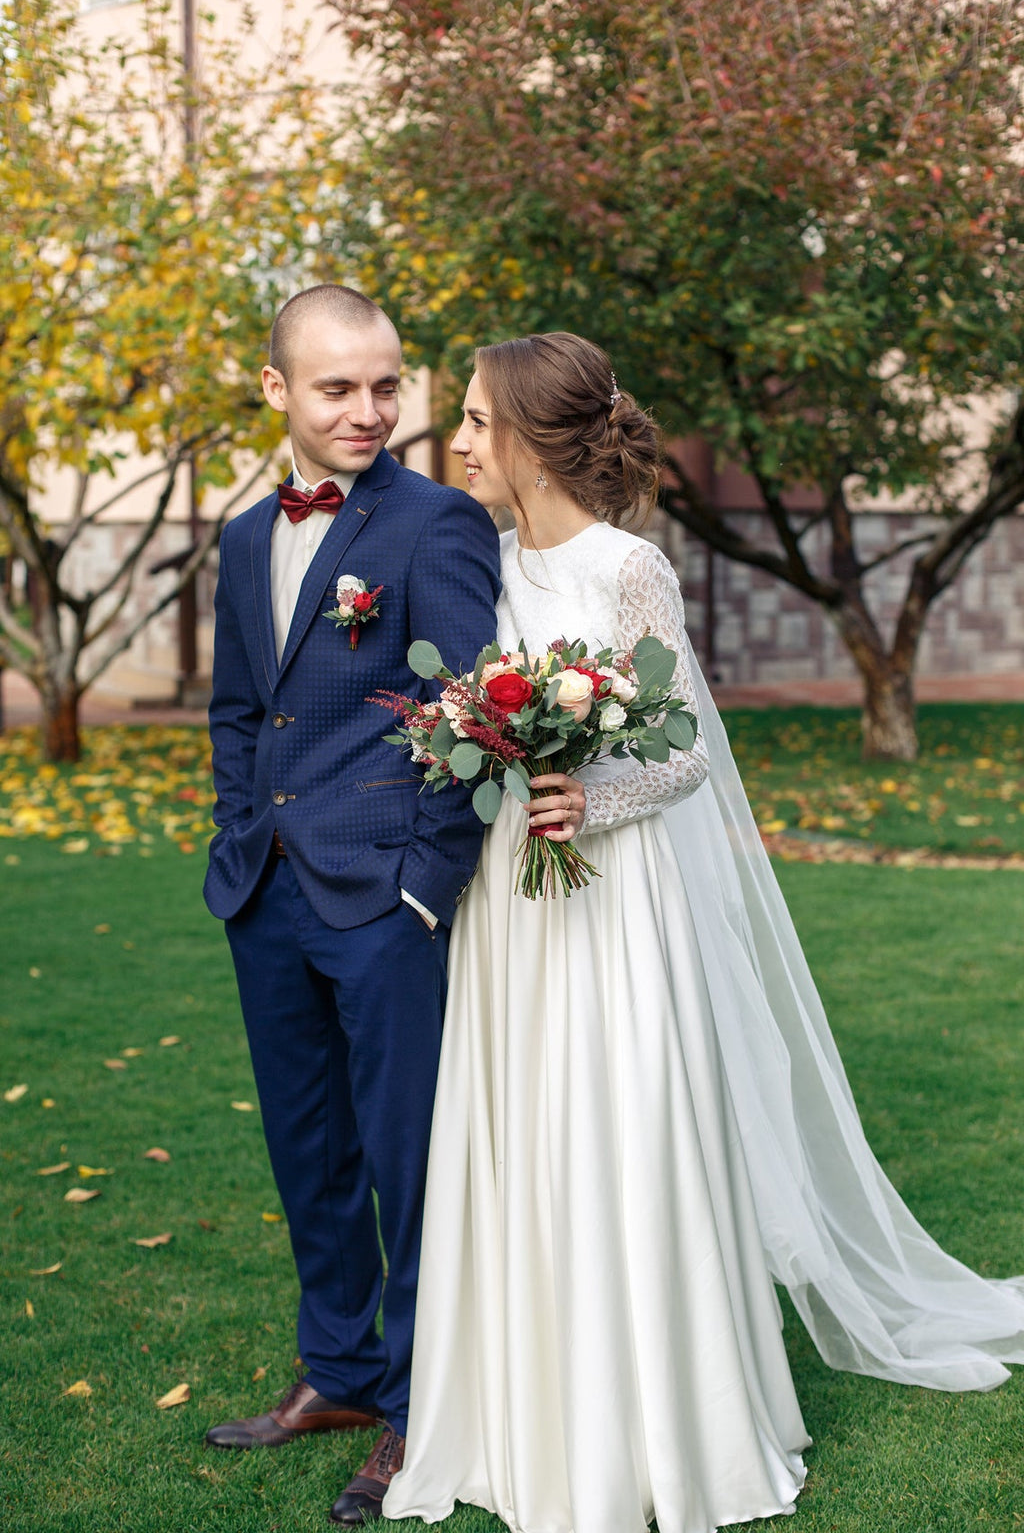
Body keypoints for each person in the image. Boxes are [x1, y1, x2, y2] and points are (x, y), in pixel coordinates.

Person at [383, 332, 1024, 1533]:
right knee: (519, 1134)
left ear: (527, 435)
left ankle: (658, 1424)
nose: (456, 441)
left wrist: (591, 796)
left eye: (473, 419)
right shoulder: (474, 563)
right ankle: (518, 1417)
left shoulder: (630, 571)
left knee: (619, 1132)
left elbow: (675, 750)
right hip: (507, 916)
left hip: (616, 908)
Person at [201, 284, 501, 1526]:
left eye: (388, 385)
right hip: (266, 892)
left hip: (386, 904)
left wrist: (426, 890)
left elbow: (479, 715)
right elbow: (237, 708)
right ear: (277, 391)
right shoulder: (236, 534)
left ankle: (419, 1415)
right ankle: (340, 1372)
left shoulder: (438, 525)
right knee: (307, 1152)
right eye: (337, 387)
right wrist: (234, 838)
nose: (370, 410)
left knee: (408, 1162)